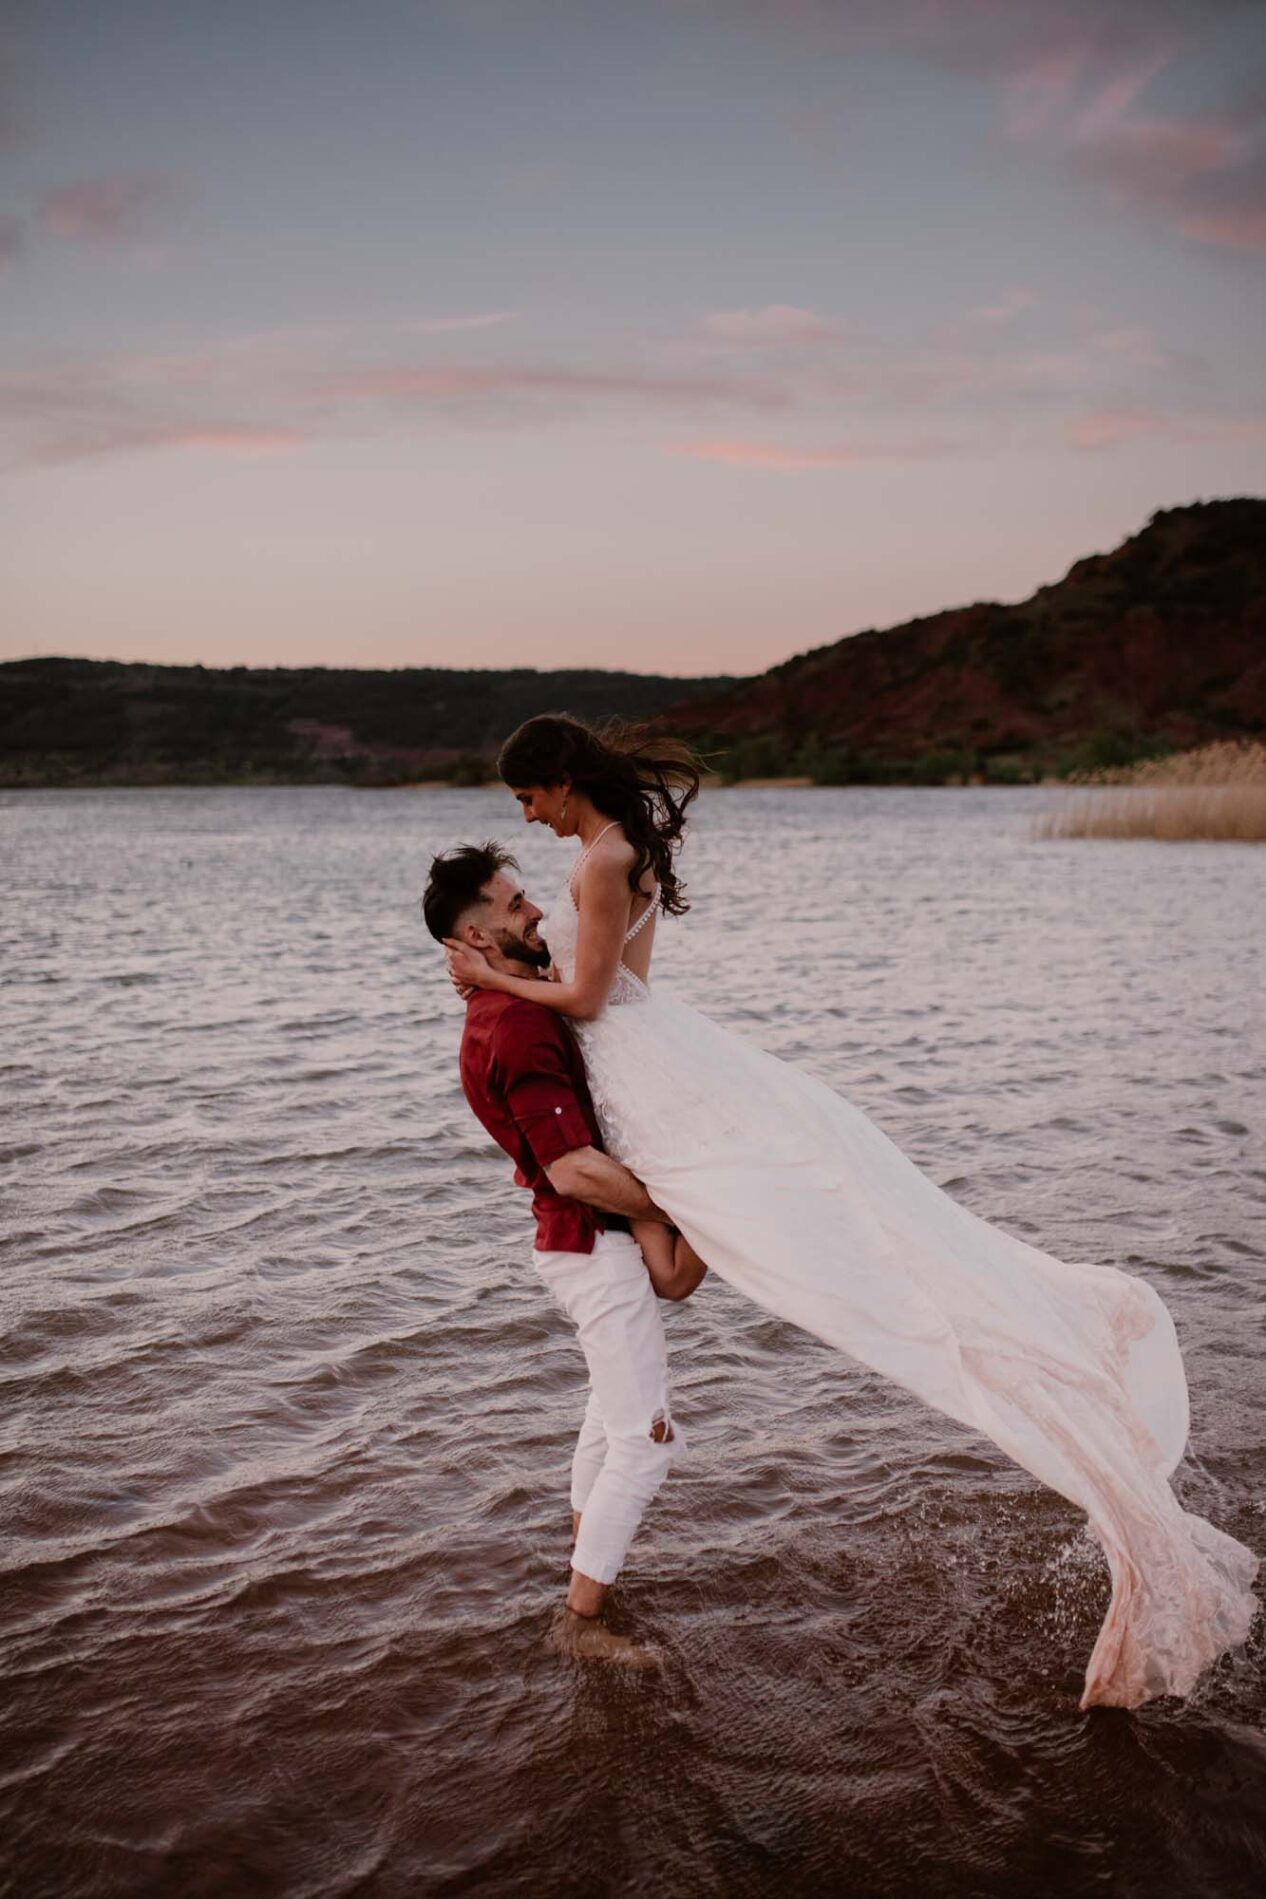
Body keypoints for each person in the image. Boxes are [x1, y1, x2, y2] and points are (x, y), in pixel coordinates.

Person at [442, 712, 1260, 1711]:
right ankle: (591, 1575)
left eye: (528, 796)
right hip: (654, 1067)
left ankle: (585, 1608)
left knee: (761, 1263)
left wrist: (488, 976)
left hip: (641, 1071)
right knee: (733, 1262)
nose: (526, 816)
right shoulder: (617, 853)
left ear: (561, 780)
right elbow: (620, 997)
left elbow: (600, 993)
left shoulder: (604, 861)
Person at [423, 842, 705, 1666]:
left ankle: (590, 1562)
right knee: (650, 1441)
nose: (538, 909)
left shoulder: (512, 1004)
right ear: (475, 934)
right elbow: (571, 1167)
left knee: (606, 1424)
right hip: (591, 1245)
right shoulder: (512, 1026)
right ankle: (582, 1622)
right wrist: (676, 1201)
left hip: (581, 1247)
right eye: (515, 906)